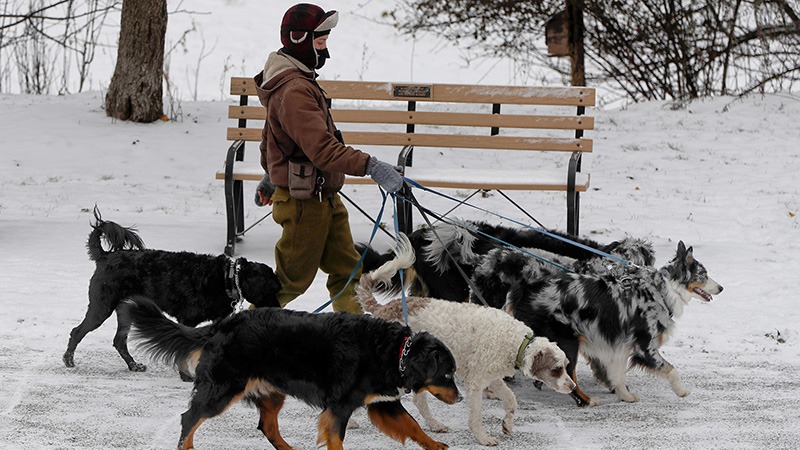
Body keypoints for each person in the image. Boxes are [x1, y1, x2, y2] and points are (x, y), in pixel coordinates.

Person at [253, 3, 403, 313]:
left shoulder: (296, 80)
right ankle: (240, 338)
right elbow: (321, 148)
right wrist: (371, 166)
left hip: (324, 197)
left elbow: (274, 136)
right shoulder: (294, 90)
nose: (325, 51)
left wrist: (270, 176)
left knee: (348, 272)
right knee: (291, 280)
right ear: (299, 40)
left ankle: (354, 335)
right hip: (304, 203)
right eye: (320, 43)